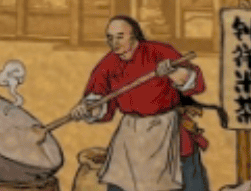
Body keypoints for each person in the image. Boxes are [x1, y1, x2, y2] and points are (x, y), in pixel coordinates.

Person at [69, 16, 210, 191]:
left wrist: (172, 72)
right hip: (131, 133)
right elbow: (100, 102)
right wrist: (87, 108)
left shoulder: (159, 51)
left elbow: (196, 84)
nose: (114, 43)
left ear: (134, 34)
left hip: (168, 129)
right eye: (110, 38)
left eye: (120, 37)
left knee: (185, 177)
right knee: (122, 181)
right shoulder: (107, 64)